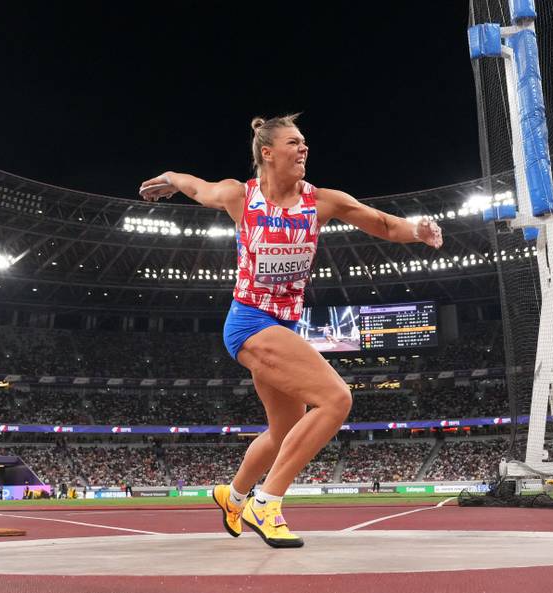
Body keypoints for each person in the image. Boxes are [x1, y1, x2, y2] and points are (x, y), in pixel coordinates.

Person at [139, 114, 443, 548]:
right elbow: (195, 187)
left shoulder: (321, 202)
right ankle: (267, 502)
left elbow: (381, 223)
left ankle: (234, 494)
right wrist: (170, 176)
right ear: (267, 152)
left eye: (305, 143)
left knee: (284, 431)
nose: (304, 149)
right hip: (248, 323)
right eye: (294, 142)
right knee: (336, 398)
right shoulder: (240, 197)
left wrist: (418, 230)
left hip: (283, 326)